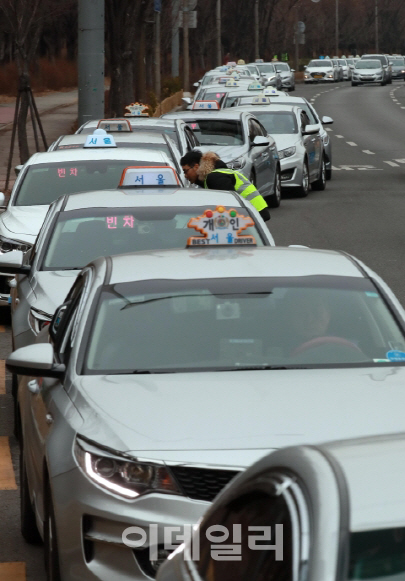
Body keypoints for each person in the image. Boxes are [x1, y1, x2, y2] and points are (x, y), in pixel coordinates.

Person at [180, 150, 270, 221]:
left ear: (196, 167)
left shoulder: (215, 177)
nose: (185, 175)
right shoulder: (216, 174)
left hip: (252, 214)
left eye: (185, 171)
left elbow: (228, 207)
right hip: (252, 213)